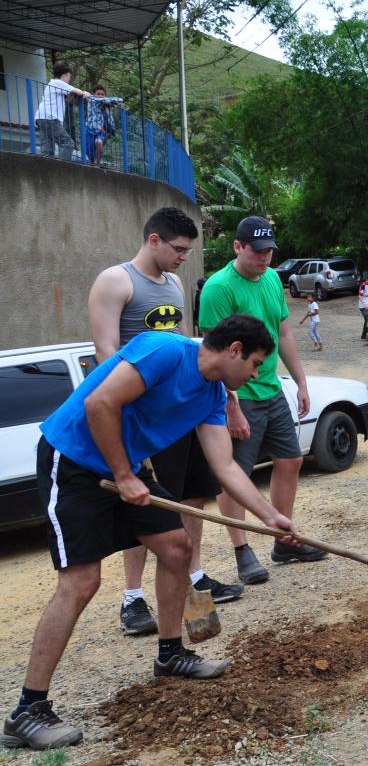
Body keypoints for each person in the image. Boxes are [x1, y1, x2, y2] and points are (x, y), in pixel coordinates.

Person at [2, 317, 299, 752]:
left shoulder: (213, 395)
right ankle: (27, 710)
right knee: (82, 581)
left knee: (177, 547)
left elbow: (225, 466)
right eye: (254, 364)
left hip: (127, 466)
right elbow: (100, 403)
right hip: (75, 460)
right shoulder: (164, 351)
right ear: (234, 349)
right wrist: (123, 476)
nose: (254, 375)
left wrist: (270, 515)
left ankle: (171, 653)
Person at [87, 207, 244, 637]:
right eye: (178, 249)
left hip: (184, 410)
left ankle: (193, 574)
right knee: (147, 503)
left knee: (193, 496)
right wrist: (138, 420)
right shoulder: (115, 282)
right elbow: (106, 356)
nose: (183, 259)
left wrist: (225, 397)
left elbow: (195, 349)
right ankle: (133, 598)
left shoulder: (174, 283)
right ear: (153, 240)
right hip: (145, 417)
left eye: (188, 251)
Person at [198, 216, 326, 584]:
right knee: (234, 475)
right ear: (238, 248)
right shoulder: (219, 288)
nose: (265, 258)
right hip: (240, 394)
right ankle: (241, 550)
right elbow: (214, 351)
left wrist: (300, 381)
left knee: (291, 460)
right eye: (257, 251)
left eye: (269, 250)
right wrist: (231, 404)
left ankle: (283, 540)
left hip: (270, 388)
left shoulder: (271, 279)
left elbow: (284, 331)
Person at [34, 63, 91, 160]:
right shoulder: (58, 83)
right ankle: (62, 168)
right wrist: (85, 93)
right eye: (69, 76)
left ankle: (46, 170)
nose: (69, 79)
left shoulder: (53, 84)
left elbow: (70, 94)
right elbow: (78, 92)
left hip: (41, 117)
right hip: (50, 117)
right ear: (64, 75)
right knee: (67, 143)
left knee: (48, 149)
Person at [84, 86, 122, 166]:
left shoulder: (106, 104)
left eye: (102, 94)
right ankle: (91, 163)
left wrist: (109, 102)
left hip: (101, 131)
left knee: (99, 142)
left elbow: (120, 100)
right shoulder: (92, 101)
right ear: (94, 94)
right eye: (98, 94)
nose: (100, 96)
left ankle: (97, 164)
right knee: (89, 149)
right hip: (90, 129)